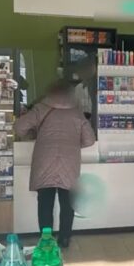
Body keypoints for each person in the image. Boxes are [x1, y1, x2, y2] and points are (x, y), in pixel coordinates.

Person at [15, 81, 96, 247]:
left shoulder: (40, 109)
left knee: (45, 203)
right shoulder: (77, 113)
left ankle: (46, 240)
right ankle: (64, 239)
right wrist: (73, 145)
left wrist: (33, 134)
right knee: (68, 204)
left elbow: (19, 127)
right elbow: (90, 140)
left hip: (44, 162)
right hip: (69, 163)